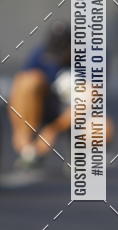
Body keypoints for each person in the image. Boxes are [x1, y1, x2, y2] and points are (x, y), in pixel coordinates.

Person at [9, 22, 73, 166]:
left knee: (102, 130)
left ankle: (81, 153)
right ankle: (29, 144)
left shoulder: (91, 57)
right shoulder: (40, 54)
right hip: (47, 107)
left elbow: (89, 100)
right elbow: (19, 91)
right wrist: (18, 130)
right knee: (28, 81)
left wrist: (53, 129)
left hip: (75, 112)